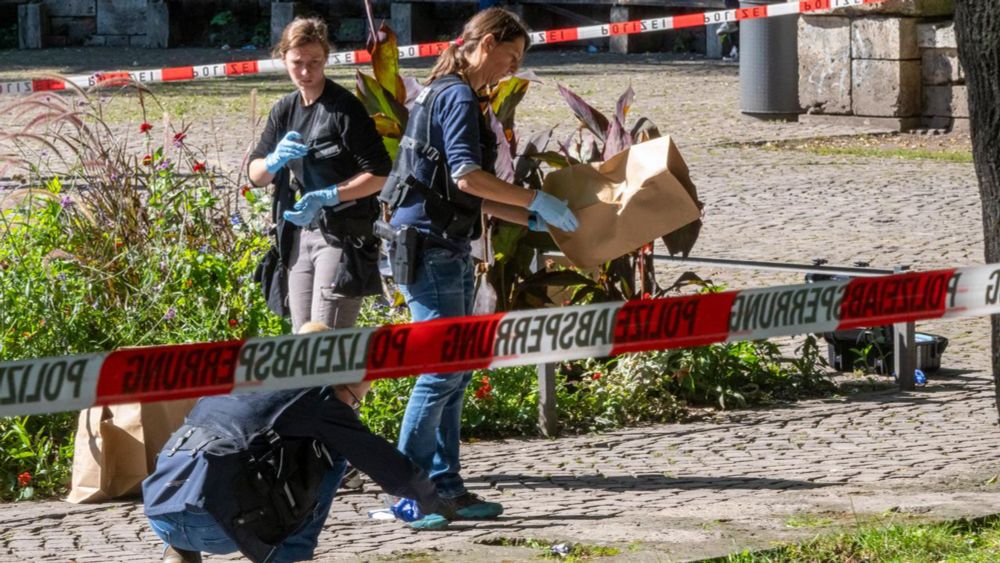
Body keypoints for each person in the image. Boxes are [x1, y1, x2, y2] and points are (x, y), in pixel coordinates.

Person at [377, 7, 580, 519]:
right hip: (433, 248)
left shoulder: (443, 90)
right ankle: (411, 492)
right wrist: (535, 200)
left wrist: (524, 214)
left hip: (437, 242)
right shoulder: (459, 96)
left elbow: (458, 190)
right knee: (442, 371)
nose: (511, 69)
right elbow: (468, 177)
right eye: (510, 57)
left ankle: (445, 486)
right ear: (486, 44)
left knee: (456, 369)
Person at [143, 323, 454, 563]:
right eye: (356, 399)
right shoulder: (318, 396)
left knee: (209, 457)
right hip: (217, 527)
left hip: (161, 509)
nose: (353, 407)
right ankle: (289, 556)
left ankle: (179, 550)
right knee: (334, 453)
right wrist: (433, 501)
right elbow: (384, 463)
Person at [248, 17, 391, 334]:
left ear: (326, 59)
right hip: (300, 234)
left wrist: (328, 195)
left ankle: (340, 386)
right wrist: (273, 160)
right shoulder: (285, 109)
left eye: (314, 62)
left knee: (326, 339)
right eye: (297, 62)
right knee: (303, 341)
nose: (305, 72)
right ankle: (316, 387)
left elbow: (380, 173)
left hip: (342, 234)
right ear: (283, 58)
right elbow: (255, 175)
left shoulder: (344, 109)